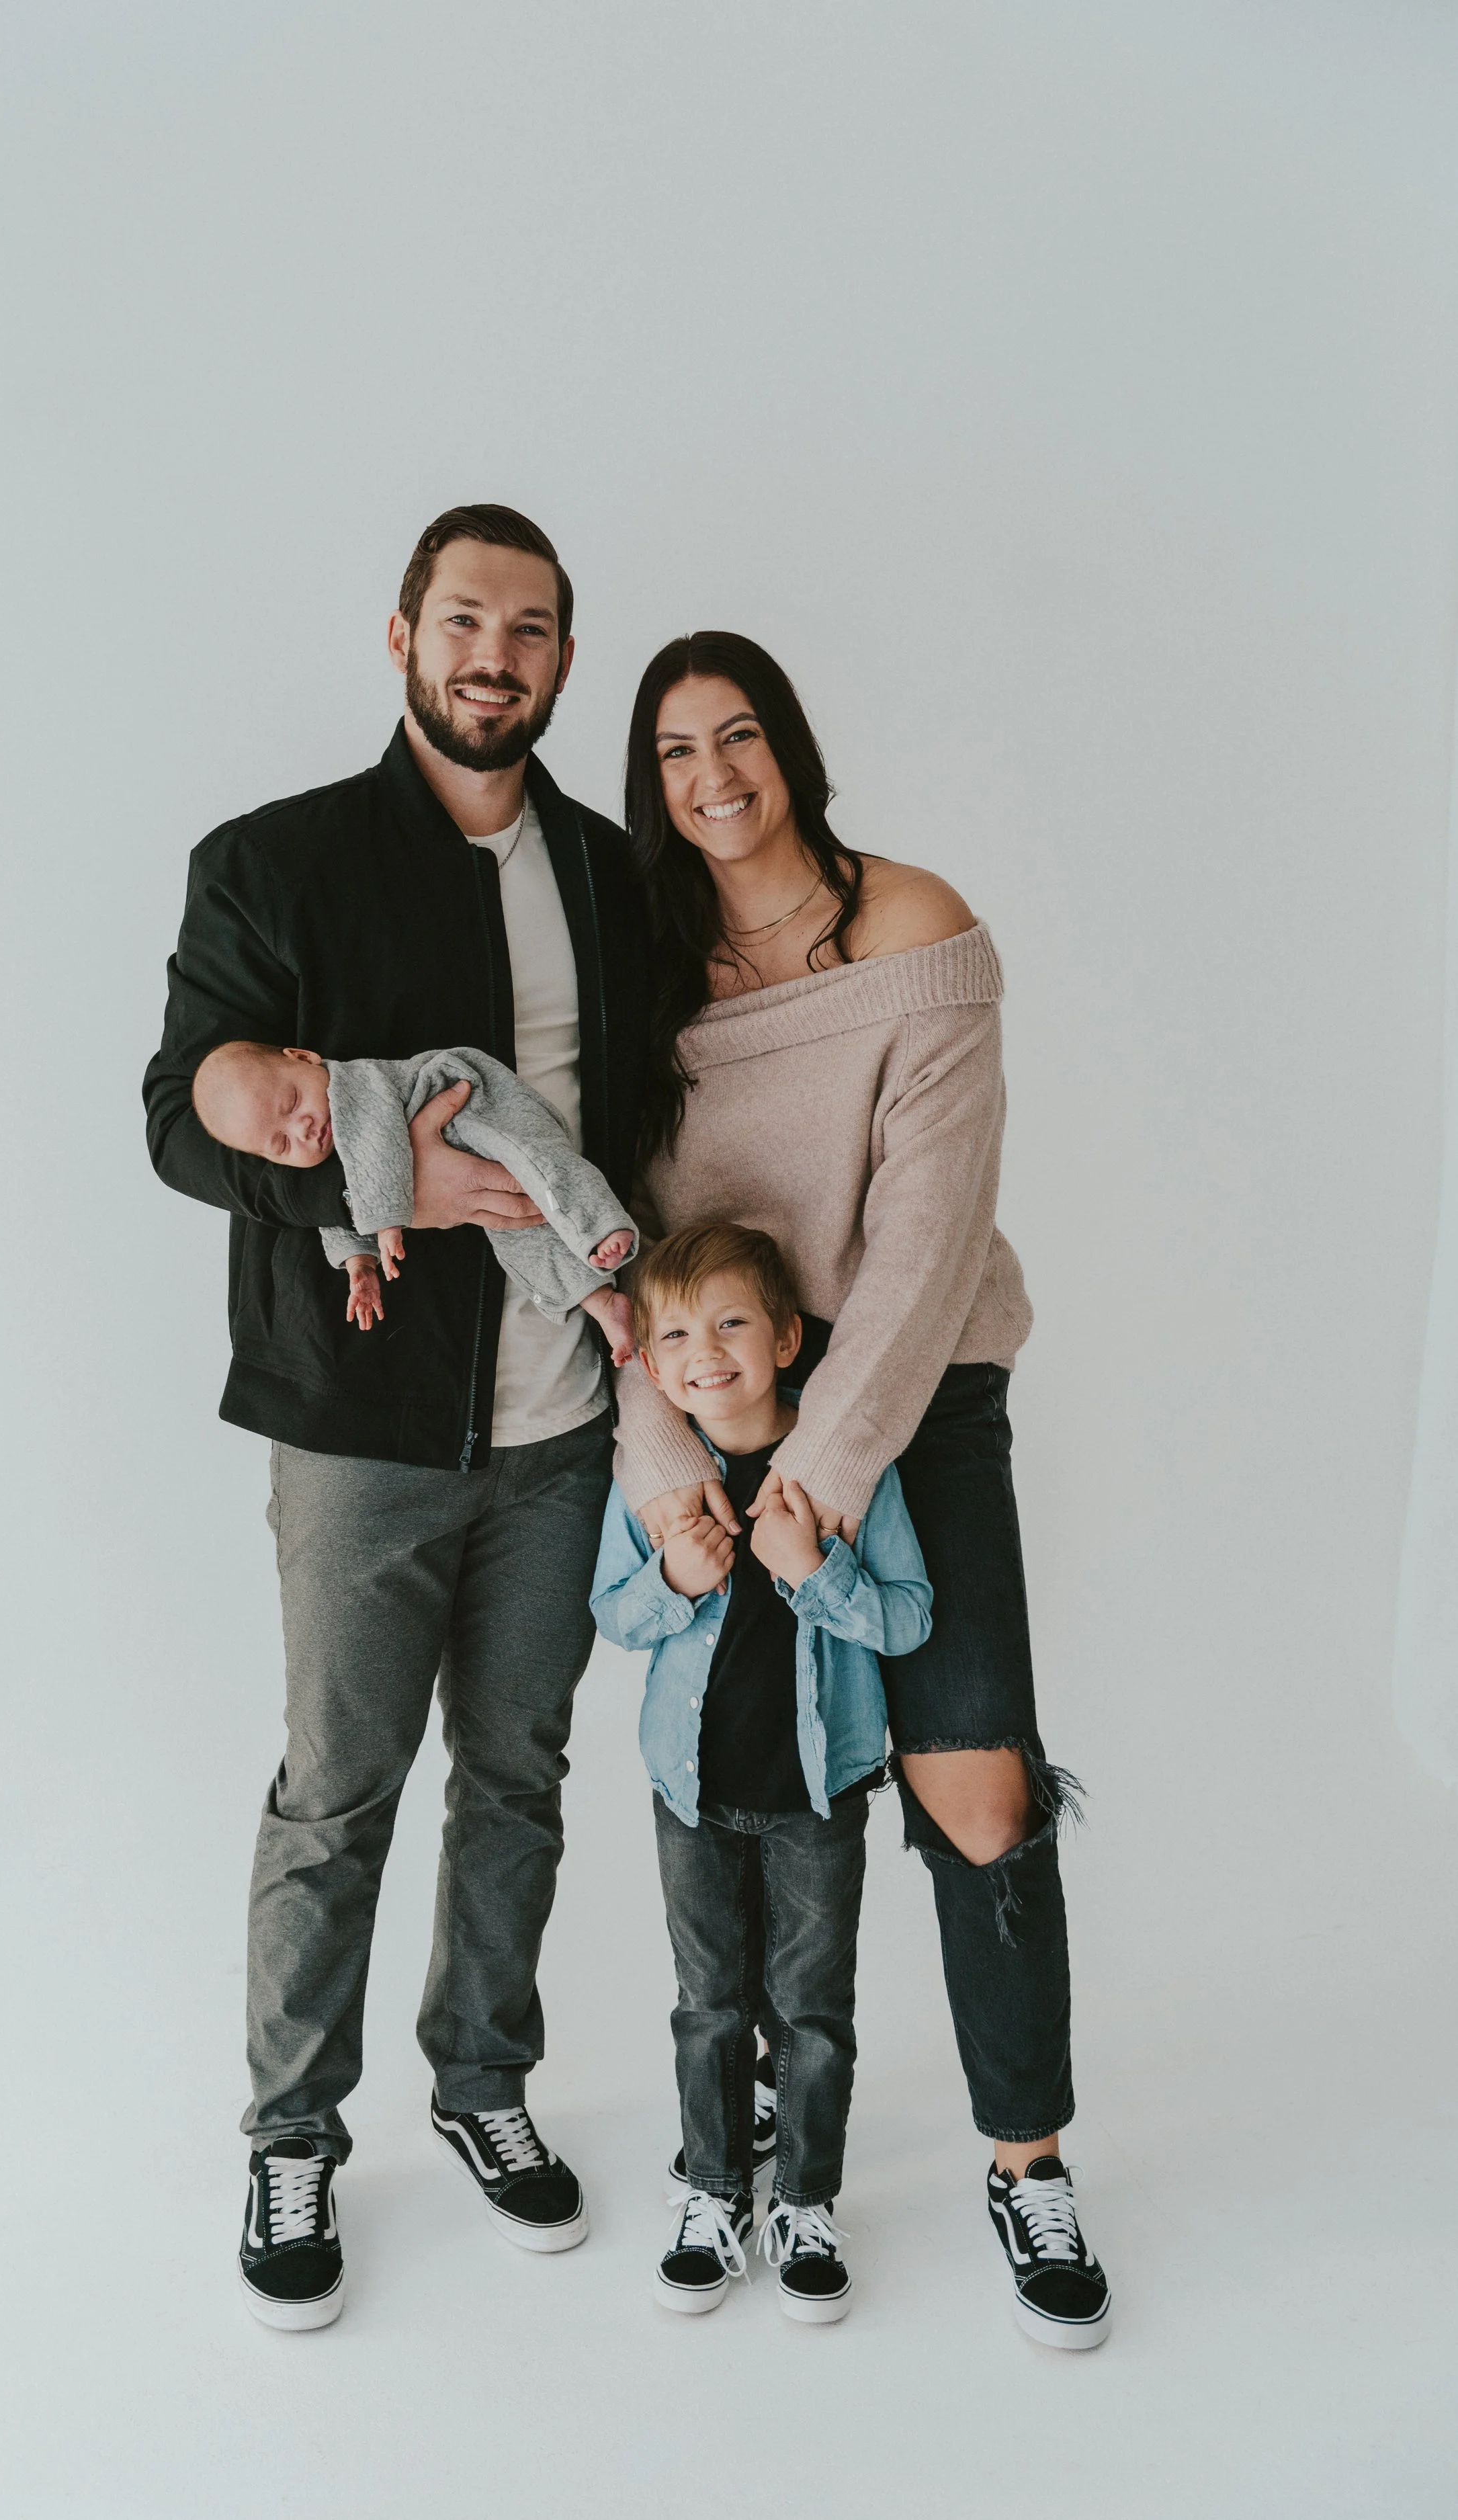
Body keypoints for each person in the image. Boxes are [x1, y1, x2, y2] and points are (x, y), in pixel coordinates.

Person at [144, 505, 651, 2329]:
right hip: (357, 1424)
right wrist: (391, 1187)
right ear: (400, 637)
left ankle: (482, 2080)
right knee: (339, 1786)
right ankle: (292, 2122)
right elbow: (178, 1111)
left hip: (566, 1423)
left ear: (563, 661)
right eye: (461, 619)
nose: (489, 655)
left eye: (526, 628)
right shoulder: (273, 861)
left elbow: (654, 1113)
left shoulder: (609, 871)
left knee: (518, 1771)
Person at [612, 631, 1113, 2351]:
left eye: (737, 733)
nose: (712, 776)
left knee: (974, 1785)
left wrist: (821, 1476)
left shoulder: (913, 930)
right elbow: (620, 1264)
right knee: (741, 1783)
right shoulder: (645, 967)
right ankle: (747, 2128)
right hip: (716, 1407)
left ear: (789, 745)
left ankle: (1025, 2152)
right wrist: (674, 1464)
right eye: (674, 751)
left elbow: (926, 1237)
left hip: (909, 1406)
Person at [592, 1225, 933, 2323]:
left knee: (812, 2013)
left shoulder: (846, 1478)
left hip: (816, 1797)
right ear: (649, 1355)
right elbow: (614, 1613)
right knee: (707, 2006)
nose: (707, 1351)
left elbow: (910, 1616)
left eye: (733, 1321)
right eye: (677, 1331)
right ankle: (713, 2190)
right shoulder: (652, 1483)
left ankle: (807, 2201)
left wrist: (817, 1570)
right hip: (688, 1792)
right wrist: (678, 1580)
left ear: (787, 1338)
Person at [189, 1036, 638, 1356]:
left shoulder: (351, 1085)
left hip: (470, 1102)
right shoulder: (325, 1163)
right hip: (455, 1153)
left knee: (536, 1167)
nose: (301, 1129)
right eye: (282, 1145)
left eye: (291, 1103)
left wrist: (388, 1222)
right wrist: (359, 1266)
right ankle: (599, 1302)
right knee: (519, 1232)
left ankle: (602, 1225)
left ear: (304, 1058)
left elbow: (379, 1144)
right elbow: (340, 1216)